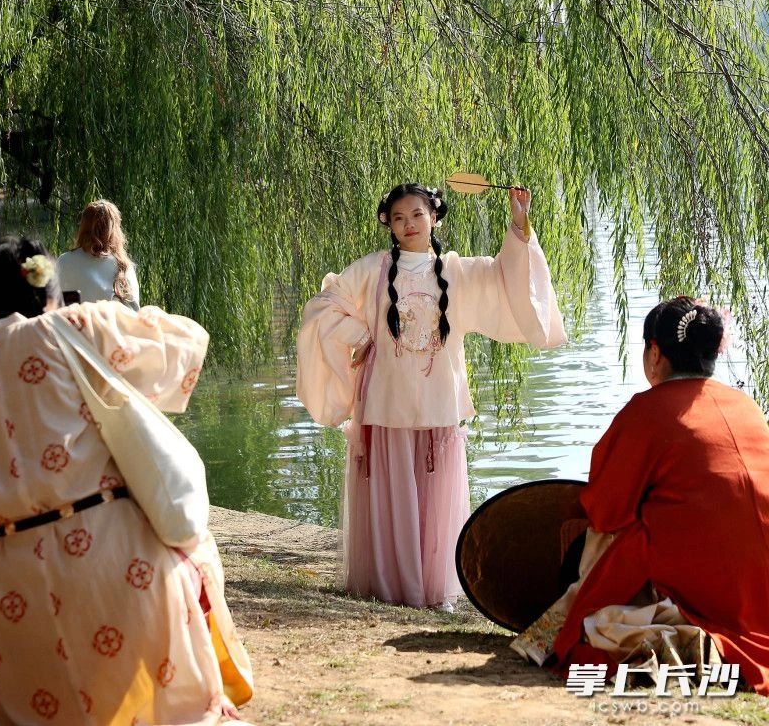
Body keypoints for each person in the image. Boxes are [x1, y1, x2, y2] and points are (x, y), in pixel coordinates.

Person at [0, 237, 252, 724]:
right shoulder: (70, 327)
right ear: (46, 290)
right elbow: (185, 342)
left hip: (10, 578)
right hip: (113, 556)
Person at [296, 181, 565, 610]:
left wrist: (518, 226)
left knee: (435, 493)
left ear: (434, 217)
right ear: (388, 223)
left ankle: (435, 587)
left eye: (417, 216)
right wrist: (361, 332)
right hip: (385, 401)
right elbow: (323, 307)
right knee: (391, 493)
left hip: (439, 399)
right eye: (399, 218)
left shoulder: (456, 271)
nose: (409, 225)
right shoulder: (371, 269)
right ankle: (388, 586)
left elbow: (506, 278)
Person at [533, 297, 769, 694]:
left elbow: (607, 510)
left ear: (655, 352)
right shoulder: (747, 405)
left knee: (608, 538)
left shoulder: (648, 410)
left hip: (711, 583)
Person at [56, 199, 140, 310]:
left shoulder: (64, 261)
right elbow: (133, 311)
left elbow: (52, 307)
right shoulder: (123, 266)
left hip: (71, 326)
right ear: (114, 230)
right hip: (110, 327)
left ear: (83, 227)